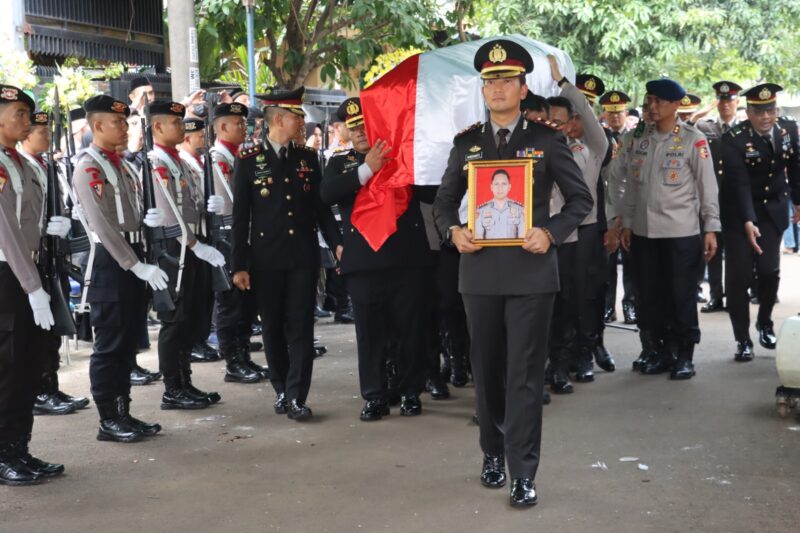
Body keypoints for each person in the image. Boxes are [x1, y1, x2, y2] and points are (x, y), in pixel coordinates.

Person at [433, 39, 591, 507]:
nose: (498, 88)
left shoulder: (545, 141)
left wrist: (551, 232)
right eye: (490, 81)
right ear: (482, 90)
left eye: (506, 80)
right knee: (486, 369)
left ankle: (523, 470)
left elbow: (580, 200)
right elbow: (443, 203)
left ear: (523, 89)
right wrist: (453, 232)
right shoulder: (467, 144)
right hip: (478, 273)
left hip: (531, 274)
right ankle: (492, 453)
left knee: (524, 373)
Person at [232, 87, 342, 421]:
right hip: (266, 259)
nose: (303, 123)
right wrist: (239, 264)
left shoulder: (308, 159)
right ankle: (280, 388)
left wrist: (336, 243)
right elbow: (240, 217)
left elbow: (321, 209)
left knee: (301, 327)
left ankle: (297, 395)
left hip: (302, 257)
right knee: (273, 328)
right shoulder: (250, 161)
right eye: (298, 117)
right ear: (279, 119)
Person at [321, 97, 431, 421]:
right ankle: (375, 395)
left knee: (409, 330)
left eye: (363, 125)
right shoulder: (340, 164)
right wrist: (368, 168)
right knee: (370, 334)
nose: (358, 132)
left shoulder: (401, 158)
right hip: (364, 263)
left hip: (406, 259)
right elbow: (327, 195)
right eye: (352, 127)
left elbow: (432, 193)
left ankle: (410, 392)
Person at [72, 94, 168, 442]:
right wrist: (134, 264)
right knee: (110, 345)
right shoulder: (89, 167)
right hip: (111, 263)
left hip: (132, 257)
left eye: (126, 123)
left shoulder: (123, 165)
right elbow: (102, 225)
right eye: (118, 123)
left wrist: (147, 221)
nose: (125, 129)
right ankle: (108, 419)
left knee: (127, 343)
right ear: (97, 126)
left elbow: (128, 216)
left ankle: (123, 412)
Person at [619, 79, 720, 380]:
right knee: (649, 296)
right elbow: (631, 188)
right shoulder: (639, 138)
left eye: (660, 101)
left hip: (681, 234)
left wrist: (711, 228)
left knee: (681, 296)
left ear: (677, 105)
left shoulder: (693, 139)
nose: (652, 106)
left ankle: (685, 355)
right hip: (644, 233)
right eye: (650, 100)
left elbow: (708, 188)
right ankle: (659, 351)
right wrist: (625, 223)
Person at [0, 85, 70, 485]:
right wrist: (31, 286)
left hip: (27, 272)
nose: (27, 122)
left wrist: (49, 229)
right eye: (20, 114)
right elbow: (5, 229)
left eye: (29, 115)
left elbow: (27, 223)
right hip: (8, 277)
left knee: (27, 365)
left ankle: (19, 448)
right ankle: (4, 454)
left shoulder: (23, 164)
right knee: (8, 368)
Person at [147, 101, 226, 409]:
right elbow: (168, 214)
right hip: (174, 248)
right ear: (157, 127)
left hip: (190, 245)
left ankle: (185, 381)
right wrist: (195, 245)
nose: (182, 128)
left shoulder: (177, 160)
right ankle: (172, 389)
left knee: (189, 316)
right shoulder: (156, 162)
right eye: (176, 124)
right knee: (174, 320)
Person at [719, 83, 800, 361]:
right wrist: (748, 220)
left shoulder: (788, 130)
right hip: (738, 213)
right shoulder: (734, 139)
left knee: (769, 271)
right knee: (739, 277)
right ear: (748, 112)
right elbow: (738, 183)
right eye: (760, 112)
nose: (766, 117)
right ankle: (742, 339)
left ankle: (764, 321)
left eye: (771, 110)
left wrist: (798, 201)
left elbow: (795, 165)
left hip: (773, 210)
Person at [19, 111, 90, 416]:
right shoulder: (23, 167)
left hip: (54, 256)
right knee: (39, 331)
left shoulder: (50, 166)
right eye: (41, 132)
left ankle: (51, 385)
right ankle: (40, 391)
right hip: (34, 258)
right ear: (26, 135)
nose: (48, 138)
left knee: (54, 328)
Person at [546, 66, 611, 387]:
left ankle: (584, 353)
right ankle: (557, 359)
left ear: (573, 122)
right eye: (549, 121)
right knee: (554, 300)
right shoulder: (537, 152)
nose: (554, 127)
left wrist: (564, 84)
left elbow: (585, 111)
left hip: (583, 232)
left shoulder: (588, 150)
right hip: (548, 235)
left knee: (584, 295)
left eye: (560, 121)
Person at [210, 102, 266, 384]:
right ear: (221, 127)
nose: (244, 128)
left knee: (246, 302)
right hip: (227, 235)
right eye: (238, 123)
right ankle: (233, 361)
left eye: (245, 123)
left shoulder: (241, 155)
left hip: (246, 234)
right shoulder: (218, 159)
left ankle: (244, 356)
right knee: (231, 302)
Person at [697, 81, 743, 313]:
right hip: (712, 199)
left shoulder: (745, 129)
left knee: (736, 253)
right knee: (713, 251)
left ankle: (736, 296)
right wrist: (703, 110)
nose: (726, 105)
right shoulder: (705, 127)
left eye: (730, 100)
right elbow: (682, 126)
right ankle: (716, 295)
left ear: (737, 102)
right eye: (722, 100)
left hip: (737, 201)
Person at [178, 118, 221, 363]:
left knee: (204, 293)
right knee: (192, 297)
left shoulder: (198, 162)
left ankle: (200, 339)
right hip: (190, 236)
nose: (203, 140)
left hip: (204, 230)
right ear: (187, 138)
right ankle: (194, 342)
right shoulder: (184, 163)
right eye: (199, 136)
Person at [599, 90, 636, 325]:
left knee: (631, 263)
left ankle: (630, 305)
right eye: (610, 114)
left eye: (619, 113)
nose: (615, 118)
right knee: (607, 264)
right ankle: (607, 306)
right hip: (605, 209)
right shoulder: (599, 138)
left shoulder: (635, 138)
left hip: (630, 208)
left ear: (626, 113)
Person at [474, 169, 526, 239]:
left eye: (504, 184)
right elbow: (478, 238)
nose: (500, 188)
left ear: (509, 187)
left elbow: (522, 238)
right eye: (496, 184)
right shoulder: (481, 211)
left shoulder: (519, 209)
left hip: (512, 249)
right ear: (491, 187)